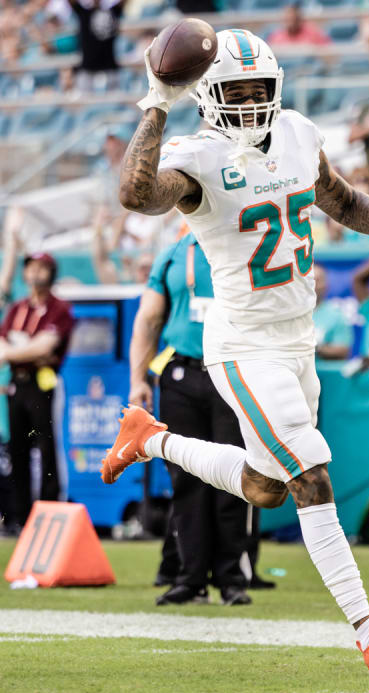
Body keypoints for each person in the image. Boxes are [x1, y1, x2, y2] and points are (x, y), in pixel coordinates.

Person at [106, 29, 369, 675]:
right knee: (312, 478)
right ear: (208, 94)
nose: (254, 100)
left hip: (299, 341)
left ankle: (148, 440)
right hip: (243, 346)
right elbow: (135, 195)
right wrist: (155, 101)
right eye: (239, 90)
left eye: (262, 88)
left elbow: (340, 200)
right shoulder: (197, 156)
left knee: (266, 488)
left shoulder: (297, 132)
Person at [130, 231, 255, 607]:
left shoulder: (242, 244)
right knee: (185, 480)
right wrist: (138, 380)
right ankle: (190, 577)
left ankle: (232, 578)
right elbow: (149, 318)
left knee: (234, 477)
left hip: (233, 371)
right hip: (182, 372)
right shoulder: (172, 254)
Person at [0, 252, 75, 526]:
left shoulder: (59, 308)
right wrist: (27, 351)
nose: (35, 273)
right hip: (18, 383)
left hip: (44, 383)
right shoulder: (17, 308)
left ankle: (50, 511)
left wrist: (15, 350)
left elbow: (46, 346)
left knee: (48, 448)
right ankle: (20, 516)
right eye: (31, 268)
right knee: (18, 449)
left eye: (41, 268)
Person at [312, 264, 351, 360]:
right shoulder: (291, 313)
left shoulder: (336, 315)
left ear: (326, 285)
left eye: (317, 281)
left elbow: (343, 350)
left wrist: (315, 347)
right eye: (310, 280)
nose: (313, 285)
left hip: (321, 372)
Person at [266, 3, 331, 48]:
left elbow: (326, 55)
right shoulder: (276, 37)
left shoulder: (314, 34)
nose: (291, 21)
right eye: (288, 18)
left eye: (293, 17)